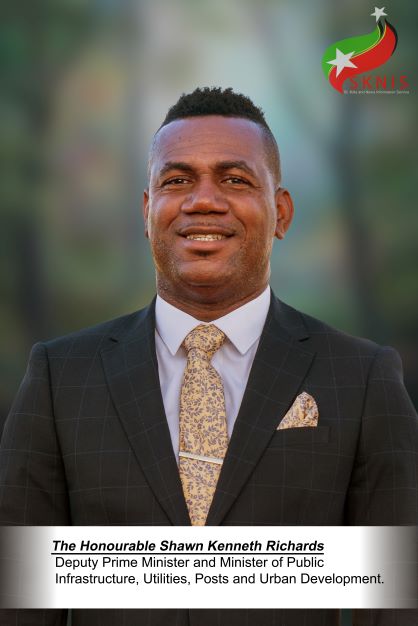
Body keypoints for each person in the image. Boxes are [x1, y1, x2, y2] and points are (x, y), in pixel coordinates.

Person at [0, 87, 417, 626]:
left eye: (235, 179)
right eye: (177, 181)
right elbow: (21, 600)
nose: (203, 200)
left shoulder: (361, 379)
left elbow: (396, 600)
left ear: (281, 212)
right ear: (147, 211)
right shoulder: (60, 380)